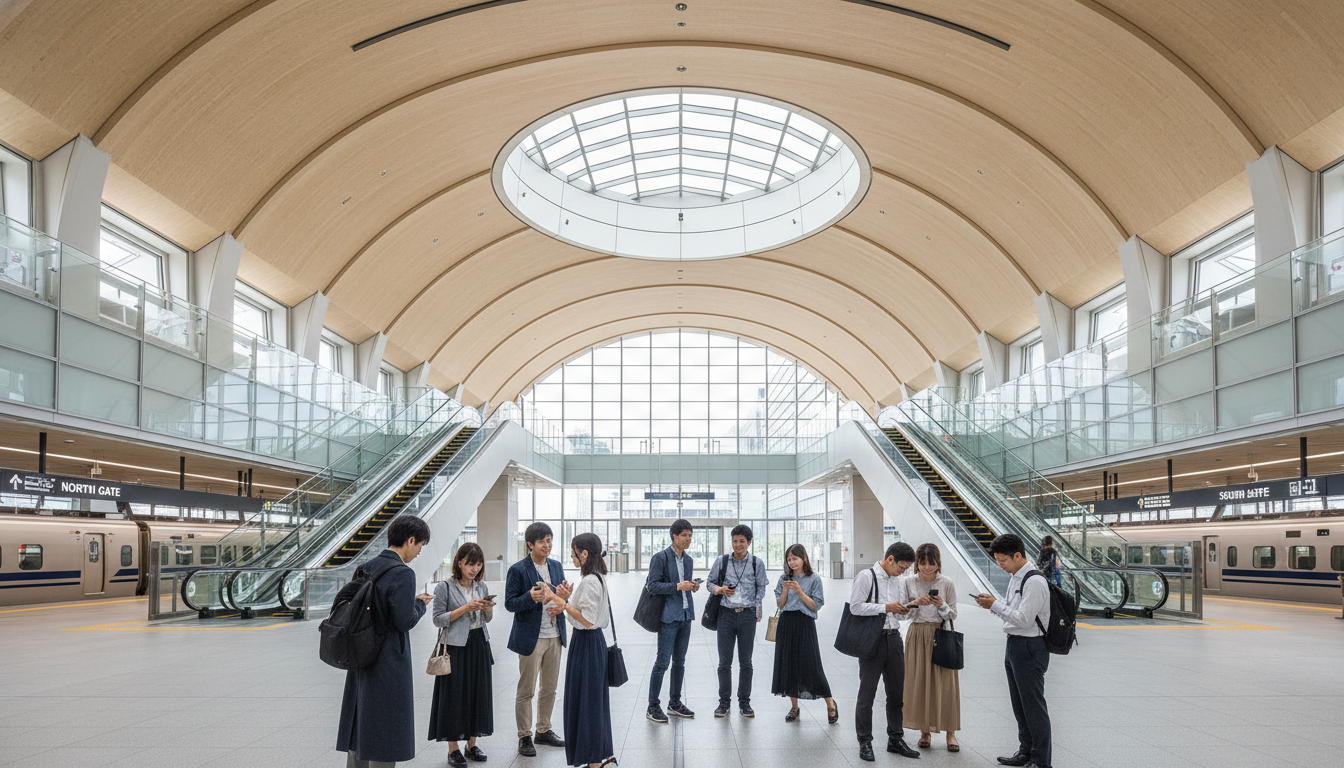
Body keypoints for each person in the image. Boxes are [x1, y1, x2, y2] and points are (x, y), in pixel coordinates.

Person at [336, 515, 434, 768]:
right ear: (410, 540)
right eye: (420, 546)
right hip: (388, 659)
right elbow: (404, 621)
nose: (419, 552)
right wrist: (419, 605)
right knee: (387, 722)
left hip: (361, 652)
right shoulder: (403, 573)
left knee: (362, 717)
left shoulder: (367, 566)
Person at [538, 533, 617, 768]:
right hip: (591, 643)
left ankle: (594, 761)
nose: (571, 555)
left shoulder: (591, 580)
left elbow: (588, 620)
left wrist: (559, 601)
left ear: (583, 554)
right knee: (591, 701)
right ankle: (601, 755)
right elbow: (585, 613)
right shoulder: (596, 577)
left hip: (587, 643)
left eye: (574, 551)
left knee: (587, 702)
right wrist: (567, 601)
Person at [974, 534, 1053, 768]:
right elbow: (1012, 610)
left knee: (1033, 706)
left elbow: (1024, 618)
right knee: (1019, 704)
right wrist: (995, 603)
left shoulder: (1035, 581)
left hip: (1030, 646)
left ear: (1017, 556)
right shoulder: (1015, 578)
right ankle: (1026, 751)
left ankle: (1040, 760)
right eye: (997, 559)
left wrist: (994, 606)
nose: (1000, 564)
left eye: (1002, 560)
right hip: (1014, 644)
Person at [849, 541, 921, 762]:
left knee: (896, 694)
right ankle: (865, 741)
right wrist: (886, 607)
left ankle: (895, 739)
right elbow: (855, 607)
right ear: (890, 559)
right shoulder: (866, 576)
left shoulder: (897, 581)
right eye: (901, 567)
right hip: (873, 642)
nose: (903, 572)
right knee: (867, 694)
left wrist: (907, 609)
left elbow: (897, 616)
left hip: (894, 640)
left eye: (906, 569)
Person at [505, 522, 570, 756]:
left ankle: (544, 729)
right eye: (542, 541)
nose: (547, 545)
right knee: (526, 689)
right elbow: (510, 603)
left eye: (550, 540)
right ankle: (525, 735)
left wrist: (564, 598)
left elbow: (561, 598)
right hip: (531, 638)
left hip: (555, 635)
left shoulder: (556, 565)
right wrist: (529, 598)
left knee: (550, 688)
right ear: (530, 544)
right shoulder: (518, 569)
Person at [429, 542, 496, 766]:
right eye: (470, 564)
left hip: (479, 643)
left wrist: (488, 609)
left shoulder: (482, 586)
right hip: (455, 648)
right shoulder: (445, 587)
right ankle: (453, 748)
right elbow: (438, 618)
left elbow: (487, 620)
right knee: (454, 697)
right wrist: (464, 609)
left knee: (478, 694)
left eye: (478, 564)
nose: (474, 569)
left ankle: (472, 743)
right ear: (459, 562)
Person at [705, 524, 769, 718]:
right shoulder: (721, 561)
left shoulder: (757, 563)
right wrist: (720, 589)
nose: (738, 545)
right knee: (724, 662)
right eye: (735, 541)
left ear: (749, 543)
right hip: (725, 614)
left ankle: (745, 702)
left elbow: (761, 589)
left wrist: (757, 609)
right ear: (731, 541)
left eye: (742, 541)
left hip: (747, 616)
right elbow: (709, 583)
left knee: (746, 662)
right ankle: (724, 702)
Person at [902, 543, 961, 752]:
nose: (927, 568)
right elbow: (903, 613)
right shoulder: (909, 582)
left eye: (931, 563)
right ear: (917, 563)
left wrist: (941, 605)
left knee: (946, 684)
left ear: (938, 564)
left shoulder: (947, 582)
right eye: (922, 563)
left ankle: (951, 733)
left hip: (941, 634)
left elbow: (952, 614)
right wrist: (916, 603)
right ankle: (924, 731)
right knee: (920, 682)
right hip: (917, 635)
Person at [770, 543, 838, 725]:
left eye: (795, 558)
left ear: (804, 558)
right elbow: (780, 605)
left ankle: (830, 703)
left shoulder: (814, 579)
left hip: (805, 623)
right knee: (789, 666)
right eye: (789, 559)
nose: (792, 562)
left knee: (812, 665)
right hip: (787, 624)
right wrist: (785, 589)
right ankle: (794, 707)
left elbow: (816, 605)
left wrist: (799, 591)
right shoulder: (783, 578)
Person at [644, 518, 700, 723]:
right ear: (674, 536)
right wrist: (678, 586)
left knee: (680, 662)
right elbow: (653, 586)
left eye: (690, 536)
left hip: (685, 615)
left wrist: (692, 586)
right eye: (685, 535)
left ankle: (674, 703)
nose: (688, 539)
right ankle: (653, 705)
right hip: (668, 617)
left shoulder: (689, 560)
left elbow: (684, 585)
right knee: (662, 662)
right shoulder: (660, 558)